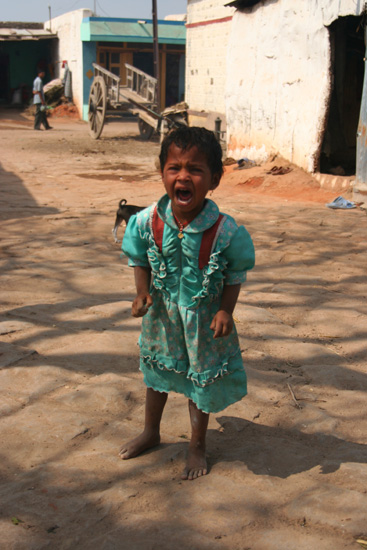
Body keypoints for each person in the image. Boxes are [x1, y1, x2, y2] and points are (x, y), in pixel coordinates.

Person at [120, 126, 255, 480]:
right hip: (163, 317)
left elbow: (235, 274)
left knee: (199, 380)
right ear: (161, 171)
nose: (183, 176)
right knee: (157, 375)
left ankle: (197, 444)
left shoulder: (225, 231)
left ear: (214, 179)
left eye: (195, 169)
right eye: (174, 167)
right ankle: (151, 431)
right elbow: (140, 258)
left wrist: (226, 309)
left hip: (203, 322)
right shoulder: (147, 221)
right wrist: (141, 291)